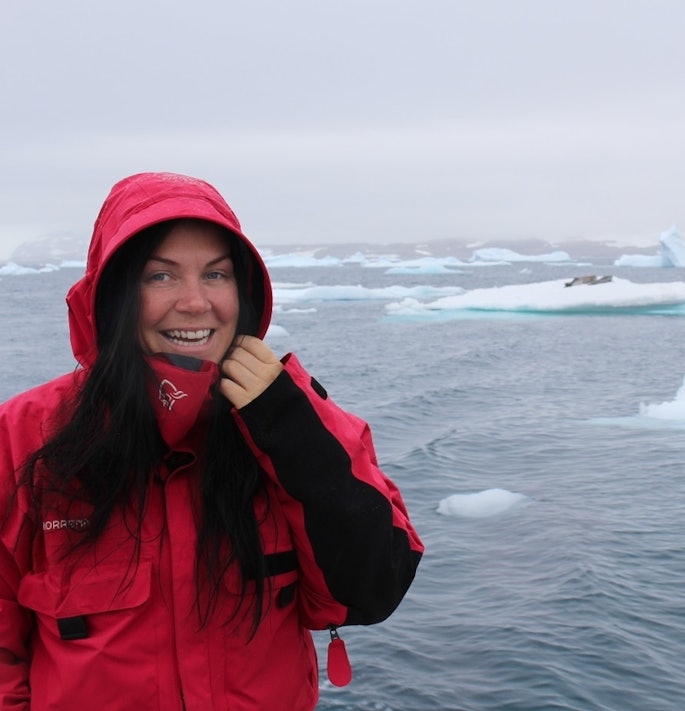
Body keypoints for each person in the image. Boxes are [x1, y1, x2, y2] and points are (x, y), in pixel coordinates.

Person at [0, 172, 424, 710]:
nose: (196, 302)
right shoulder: (24, 438)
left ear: (242, 291)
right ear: (113, 296)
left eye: (216, 274)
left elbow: (370, 589)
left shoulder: (294, 421)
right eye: (161, 276)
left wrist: (289, 428)